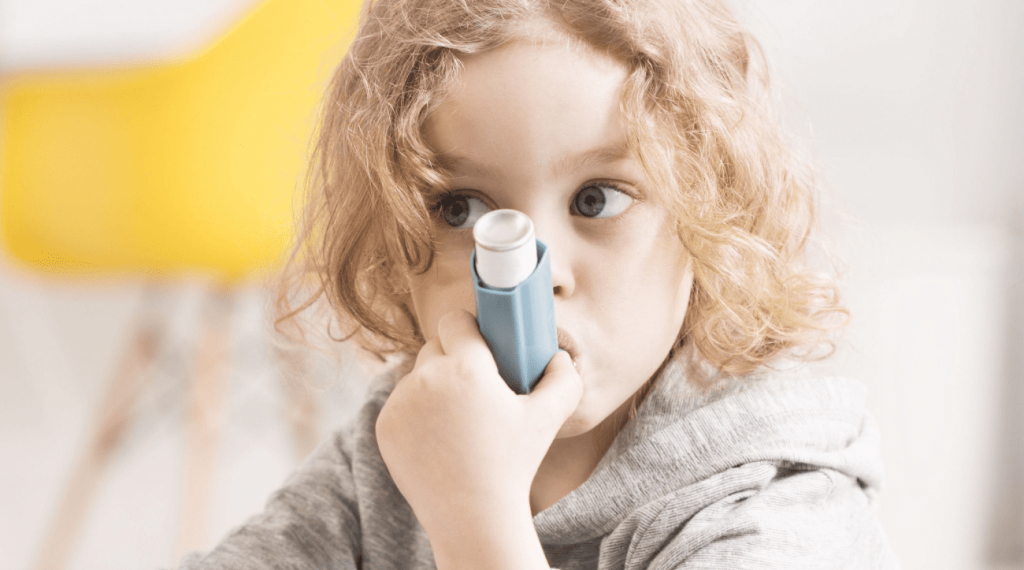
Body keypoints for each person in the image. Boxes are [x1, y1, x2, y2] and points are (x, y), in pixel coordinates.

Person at [173, 0, 900, 568]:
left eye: (596, 200)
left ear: (709, 214)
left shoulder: (775, 505)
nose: (526, 279)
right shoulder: (405, 444)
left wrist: (476, 519)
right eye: (460, 209)